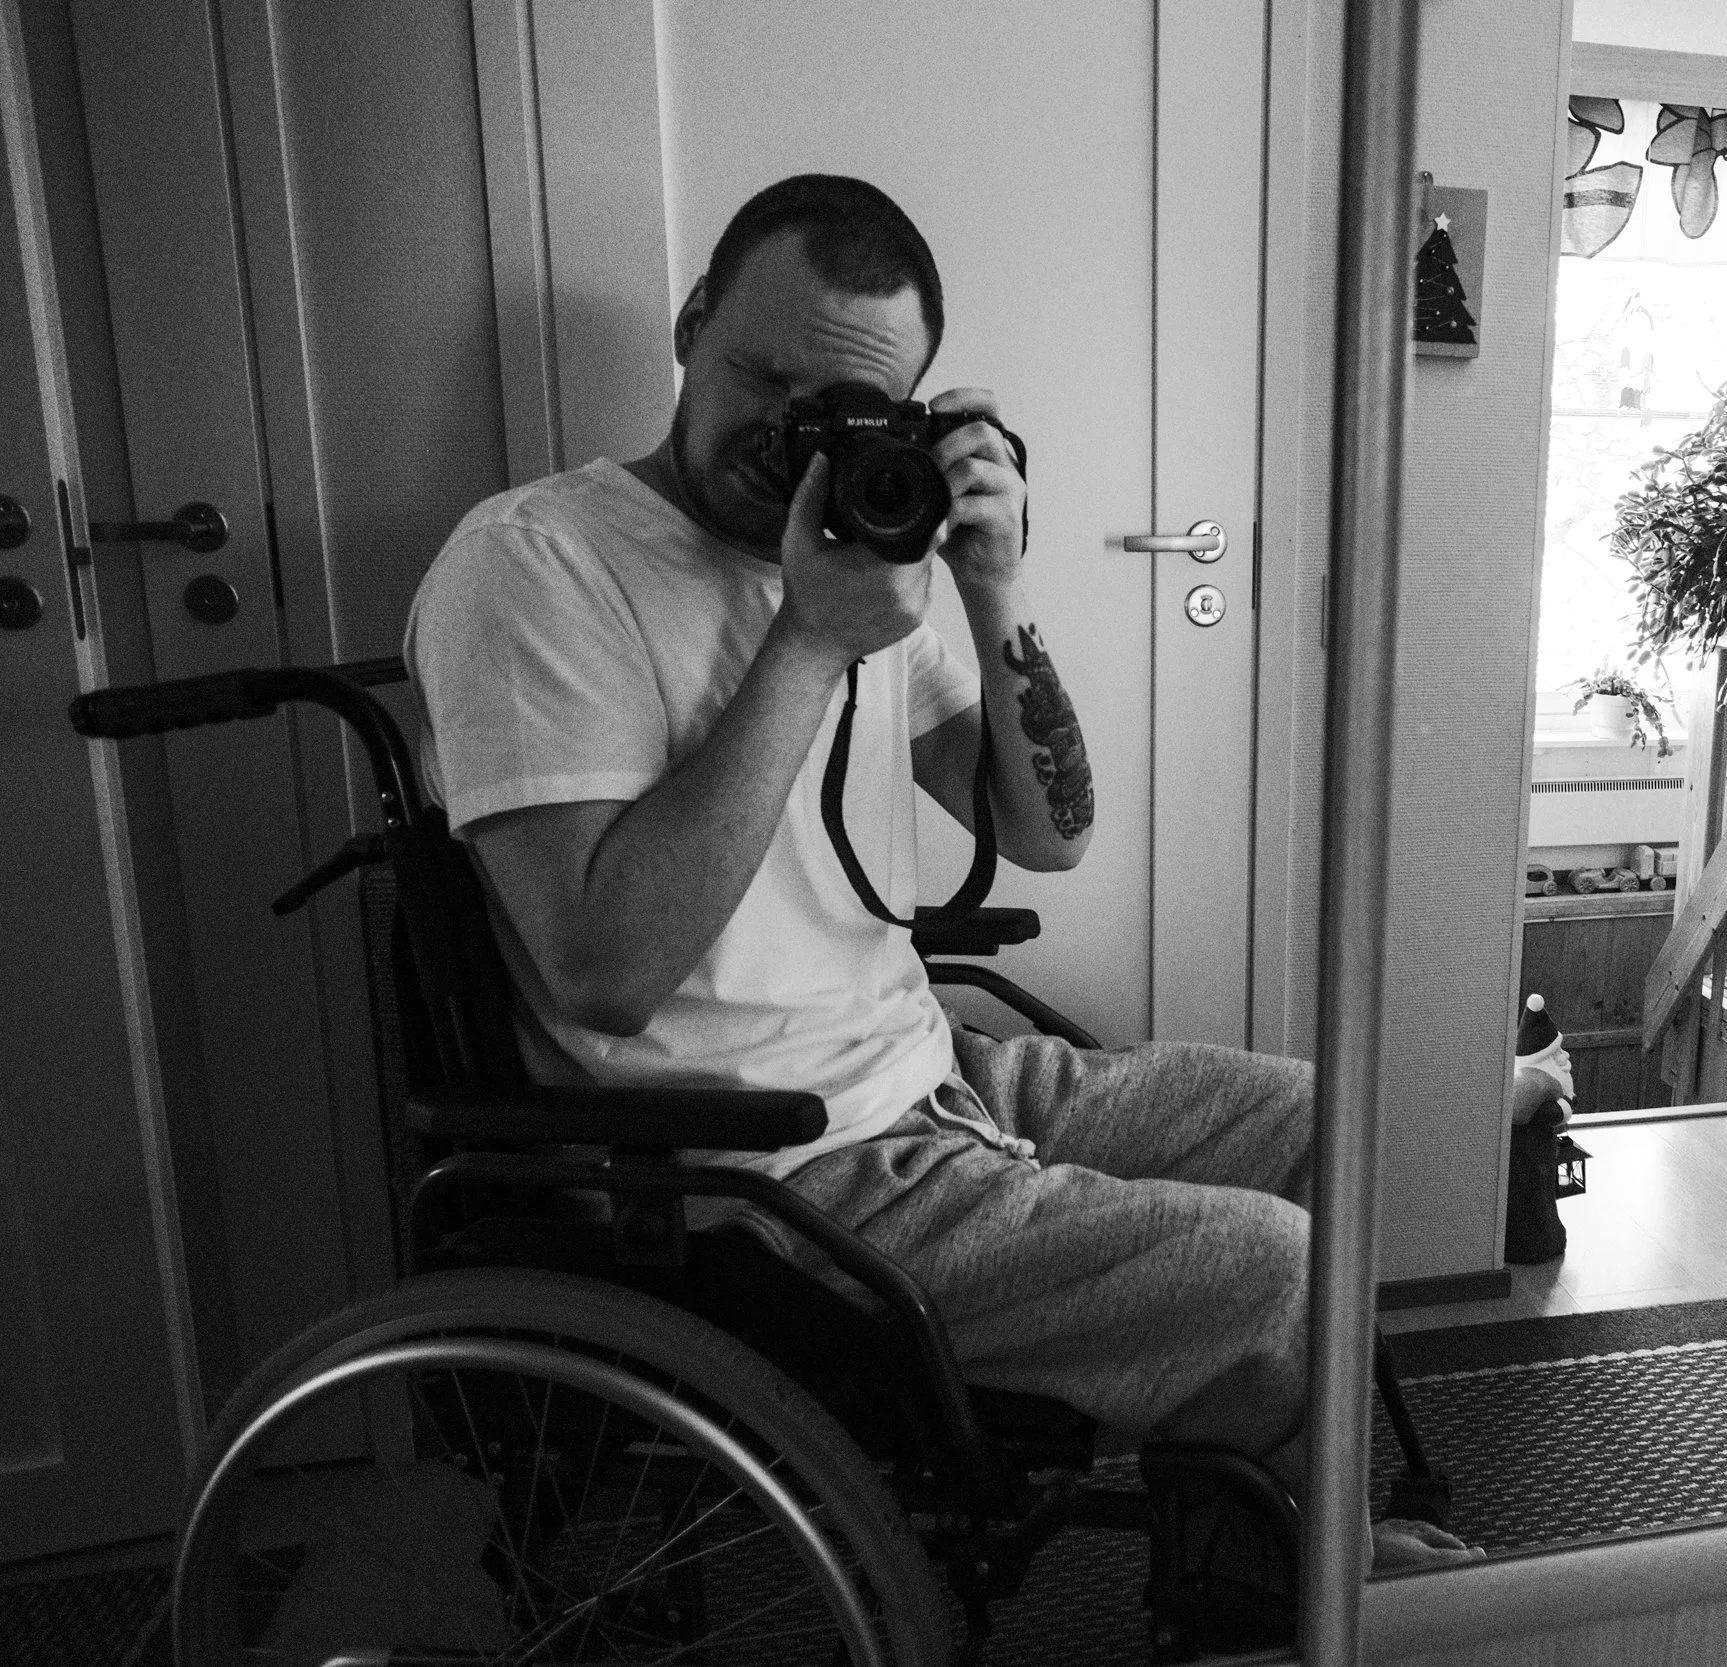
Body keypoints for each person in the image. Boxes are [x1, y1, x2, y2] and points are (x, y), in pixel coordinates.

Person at [405, 173, 1470, 1569]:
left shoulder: (868, 554)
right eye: (761, 373)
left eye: (838, 406)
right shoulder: (536, 564)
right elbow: (603, 972)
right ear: (689, 320)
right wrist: (805, 643)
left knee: (1320, 1118)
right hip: (752, 1169)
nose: (788, 431)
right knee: (1273, 1269)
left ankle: (1244, 1537)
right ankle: (1278, 1581)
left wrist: (992, 582)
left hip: (929, 1075)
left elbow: (1049, 830)